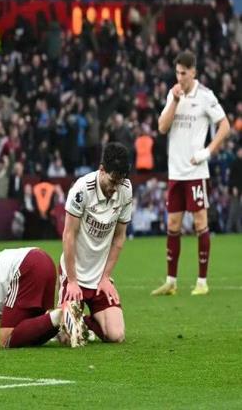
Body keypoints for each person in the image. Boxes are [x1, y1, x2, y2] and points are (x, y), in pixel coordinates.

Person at [151, 51, 230, 296]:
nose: (180, 77)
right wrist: (174, 101)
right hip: (175, 173)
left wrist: (208, 151)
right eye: (177, 73)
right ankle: (171, 282)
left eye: (183, 73)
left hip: (196, 172)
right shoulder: (173, 94)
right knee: (173, 224)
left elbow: (225, 125)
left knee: (200, 223)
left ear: (193, 72)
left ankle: (202, 282)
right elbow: (162, 128)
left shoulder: (205, 96)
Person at [60, 142, 133, 343]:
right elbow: (68, 235)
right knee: (67, 338)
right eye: (112, 181)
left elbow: (119, 238)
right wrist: (72, 281)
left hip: (99, 277)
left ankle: (80, 321)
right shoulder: (81, 189)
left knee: (116, 336)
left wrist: (105, 277)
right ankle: (62, 318)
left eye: (120, 182)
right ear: (102, 170)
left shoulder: (125, 190)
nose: (115, 188)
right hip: (75, 274)